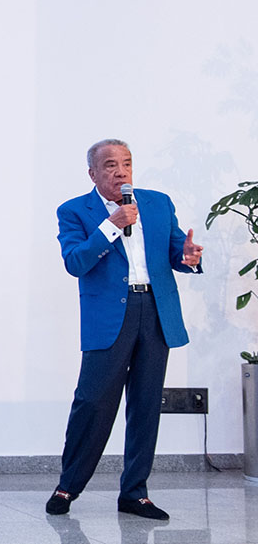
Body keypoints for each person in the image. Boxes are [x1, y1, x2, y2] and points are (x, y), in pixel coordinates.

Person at [47, 139, 204, 520]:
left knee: (146, 404)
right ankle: (68, 487)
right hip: (109, 317)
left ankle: (135, 493)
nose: (121, 172)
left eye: (127, 164)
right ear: (93, 173)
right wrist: (111, 226)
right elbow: (75, 262)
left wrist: (187, 258)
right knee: (92, 403)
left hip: (155, 310)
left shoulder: (158, 203)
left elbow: (175, 253)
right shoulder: (74, 211)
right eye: (111, 165)